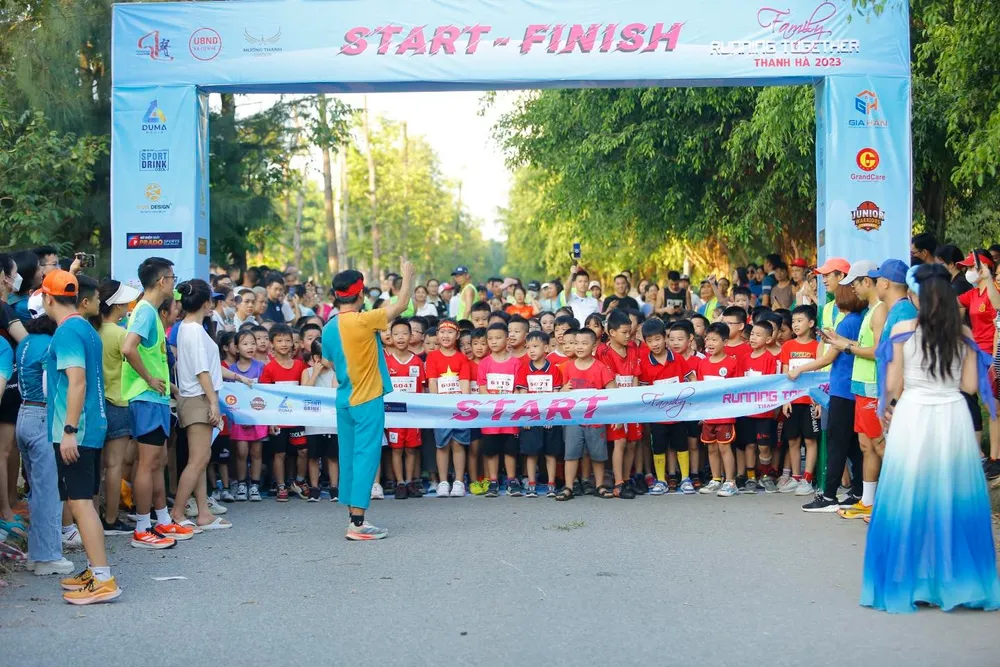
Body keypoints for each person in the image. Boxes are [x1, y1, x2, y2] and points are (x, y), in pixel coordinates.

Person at [862, 263, 1000, 613]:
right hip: (952, 415)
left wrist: (888, 406)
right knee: (953, 497)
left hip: (914, 415)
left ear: (917, 298)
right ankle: (954, 582)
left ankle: (912, 580)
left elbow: (892, 385)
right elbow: (970, 387)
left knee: (909, 497)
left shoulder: (905, 330)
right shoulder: (964, 335)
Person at [40, 270, 120, 604]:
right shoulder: (85, 328)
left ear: (47, 298)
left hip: (77, 429)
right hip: (91, 425)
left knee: (80, 502)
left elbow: (77, 381)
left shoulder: (69, 331)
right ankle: (94, 569)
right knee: (83, 498)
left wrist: (69, 430)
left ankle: (103, 578)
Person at [322, 260, 414, 539]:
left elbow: (329, 362)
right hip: (367, 399)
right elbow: (402, 306)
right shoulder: (363, 320)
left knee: (349, 457)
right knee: (365, 457)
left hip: (345, 400)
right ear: (360, 295)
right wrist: (407, 277)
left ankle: (353, 516)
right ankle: (358, 524)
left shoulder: (329, 327)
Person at [121, 257, 192, 549]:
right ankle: (142, 526)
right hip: (145, 397)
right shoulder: (145, 312)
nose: (174, 284)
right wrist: (150, 378)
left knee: (159, 461)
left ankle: (162, 519)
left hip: (157, 397)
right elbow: (128, 348)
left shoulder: (149, 310)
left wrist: (167, 384)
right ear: (162, 281)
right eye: (172, 278)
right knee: (147, 464)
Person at [171, 280, 244, 531]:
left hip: (194, 397)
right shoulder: (193, 330)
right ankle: (178, 513)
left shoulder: (187, 327)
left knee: (201, 459)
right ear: (205, 303)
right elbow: (203, 371)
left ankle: (203, 513)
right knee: (198, 459)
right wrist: (214, 403)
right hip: (198, 398)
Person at [789, 284, 868, 512]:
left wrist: (800, 369)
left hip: (843, 390)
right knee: (852, 444)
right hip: (849, 388)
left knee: (837, 443)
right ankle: (857, 490)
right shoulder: (856, 320)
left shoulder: (849, 321)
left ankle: (829, 496)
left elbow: (827, 358)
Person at [15, 311, 70, 573]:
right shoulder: (50, 344)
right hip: (42, 417)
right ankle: (47, 557)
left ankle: (36, 554)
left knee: (37, 491)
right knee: (50, 491)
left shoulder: (25, 342)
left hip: (23, 414)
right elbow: (51, 388)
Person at [94, 280, 141, 535]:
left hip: (94, 404)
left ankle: (91, 516)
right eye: (124, 301)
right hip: (118, 402)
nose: (127, 305)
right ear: (117, 305)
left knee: (96, 464)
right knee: (114, 465)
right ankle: (111, 518)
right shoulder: (120, 334)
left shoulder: (92, 330)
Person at [956, 249, 1000, 479]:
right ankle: (991, 457)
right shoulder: (972, 294)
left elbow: (998, 305)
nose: (967, 272)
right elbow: (950, 302)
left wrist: (989, 279)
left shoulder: (993, 291)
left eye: (972, 267)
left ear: (983, 268)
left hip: (991, 356)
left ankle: (995, 457)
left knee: (994, 407)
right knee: (986, 405)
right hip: (977, 354)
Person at [556, 328, 615, 501]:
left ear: (594, 345)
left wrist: (615, 416)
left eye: (584, 343)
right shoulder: (567, 367)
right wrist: (562, 390)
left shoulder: (601, 367)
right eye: (576, 343)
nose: (579, 347)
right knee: (571, 453)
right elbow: (560, 392)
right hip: (573, 419)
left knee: (597, 455)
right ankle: (568, 487)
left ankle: (599, 486)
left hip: (596, 418)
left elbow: (613, 392)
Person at [259, 324, 310, 502]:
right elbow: (265, 396)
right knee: (279, 454)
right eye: (279, 340)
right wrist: (270, 420)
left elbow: (305, 390)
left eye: (287, 340)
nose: (284, 344)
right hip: (278, 419)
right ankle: (281, 486)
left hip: (297, 418)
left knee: (303, 451)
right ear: (272, 344)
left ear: (293, 344)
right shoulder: (269, 368)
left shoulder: (299, 365)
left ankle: (299, 481)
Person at [597, 310, 643, 498]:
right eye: (624, 332)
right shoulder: (604, 351)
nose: (628, 335)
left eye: (629, 331)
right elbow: (609, 384)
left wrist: (633, 404)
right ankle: (618, 483)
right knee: (620, 441)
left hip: (631, 403)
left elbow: (635, 377)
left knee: (632, 442)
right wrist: (617, 410)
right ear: (611, 332)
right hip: (615, 404)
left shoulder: (632, 348)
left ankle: (625, 479)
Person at [778, 305, 822, 495]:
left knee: (811, 440)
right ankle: (796, 477)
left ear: (811, 323)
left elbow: (820, 374)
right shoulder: (788, 346)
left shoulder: (818, 346)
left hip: (811, 401)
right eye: (793, 321)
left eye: (800, 321)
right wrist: (785, 400)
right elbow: (785, 374)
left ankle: (807, 478)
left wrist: (819, 400)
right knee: (793, 440)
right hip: (792, 401)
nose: (795, 325)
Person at [515, 331, 563, 497]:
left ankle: (551, 483)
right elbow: (521, 394)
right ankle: (532, 484)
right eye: (528, 347)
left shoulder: (554, 370)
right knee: (531, 452)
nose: (531, 351)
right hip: (531, 418)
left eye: (535, 347)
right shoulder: (524, 369)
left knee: (550, 453)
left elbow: (557, 394)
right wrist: (526, 417)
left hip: (549, 418)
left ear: (546, 348)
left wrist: (551, 416)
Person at [696, 322, 742, 497]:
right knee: (711, 448)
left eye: (714, 340)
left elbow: (737, 389)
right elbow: (701, 390)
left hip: (725, 415)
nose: (709, 343)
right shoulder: (703, 363)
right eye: (708, 339)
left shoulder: (732, 363)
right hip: (708, 415)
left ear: (725, 342)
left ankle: (730, 482)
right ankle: (716, 479)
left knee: (724, 448)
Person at [477, 322, 523, 497]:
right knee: (491, 449)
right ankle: (493, 481)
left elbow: (518, 390)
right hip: (491, 416)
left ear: (507, 339)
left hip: (510, 416)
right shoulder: (484, 363)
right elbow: (482, 389)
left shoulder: (516, 363)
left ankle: (512, 480)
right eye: (490, 339)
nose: (494, 342)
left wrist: (509, 405)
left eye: (498, 338)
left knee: (510, 449)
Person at [384, 319, 425, 499]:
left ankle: (409, 482)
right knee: (396, 449)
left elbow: (422, 389)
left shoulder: (416, 361)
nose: (400, 337)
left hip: (413, 415)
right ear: (391, 337)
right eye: (396, 334)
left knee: (411, 449)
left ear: (411, 336)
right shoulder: (386, 362)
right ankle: (399, 482)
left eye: (404, 333)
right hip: (393, 415)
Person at [739, 320, 780, 493]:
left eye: (758, 335)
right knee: (749, 445)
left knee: (764, 446)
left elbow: (773, 385)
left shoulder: (771, 360)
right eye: (752, 334)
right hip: (747, 411)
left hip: (764, 412)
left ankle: (765, 475)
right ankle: (750, 478)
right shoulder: (744, 359)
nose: (753, 338)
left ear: (769, 338)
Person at [228, 330, 268, 501]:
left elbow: (266, 393)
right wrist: (241, 416)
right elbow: (229, 397)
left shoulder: (261, 367)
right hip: (238, 419)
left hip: (258, 416)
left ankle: (255, 486)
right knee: (241, 452)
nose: (250, 347)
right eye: (245, 344)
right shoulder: (231, 370)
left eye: (253, 343)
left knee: (257, 452)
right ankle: (242, 484)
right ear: (236, 348)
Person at [301, 339, 339, 502]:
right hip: (313, 422)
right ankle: (314, 488)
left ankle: (334, 488)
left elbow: (335, 392)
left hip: (332, 421)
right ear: (316, 357)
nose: (330, 360)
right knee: (313, 456)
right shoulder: (307, 372)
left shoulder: (336, 372)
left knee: (332, 457)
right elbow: (303, 393)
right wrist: (315, 372)